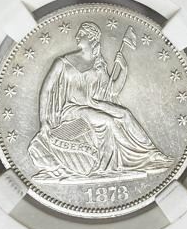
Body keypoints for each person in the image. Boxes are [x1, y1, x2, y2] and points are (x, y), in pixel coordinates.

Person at [28, 22, 173, 181]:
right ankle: (117, 164)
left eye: (81, 34)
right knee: (108, 121)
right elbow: (46, 91)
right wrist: (44, 121)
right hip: (72, 111)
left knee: (125, 114)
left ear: (91, 38)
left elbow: (112, 90)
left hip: (93, 104)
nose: (77, 36)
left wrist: (124, 70)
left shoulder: (98, 64)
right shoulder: (62, 62)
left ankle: (151, 154)